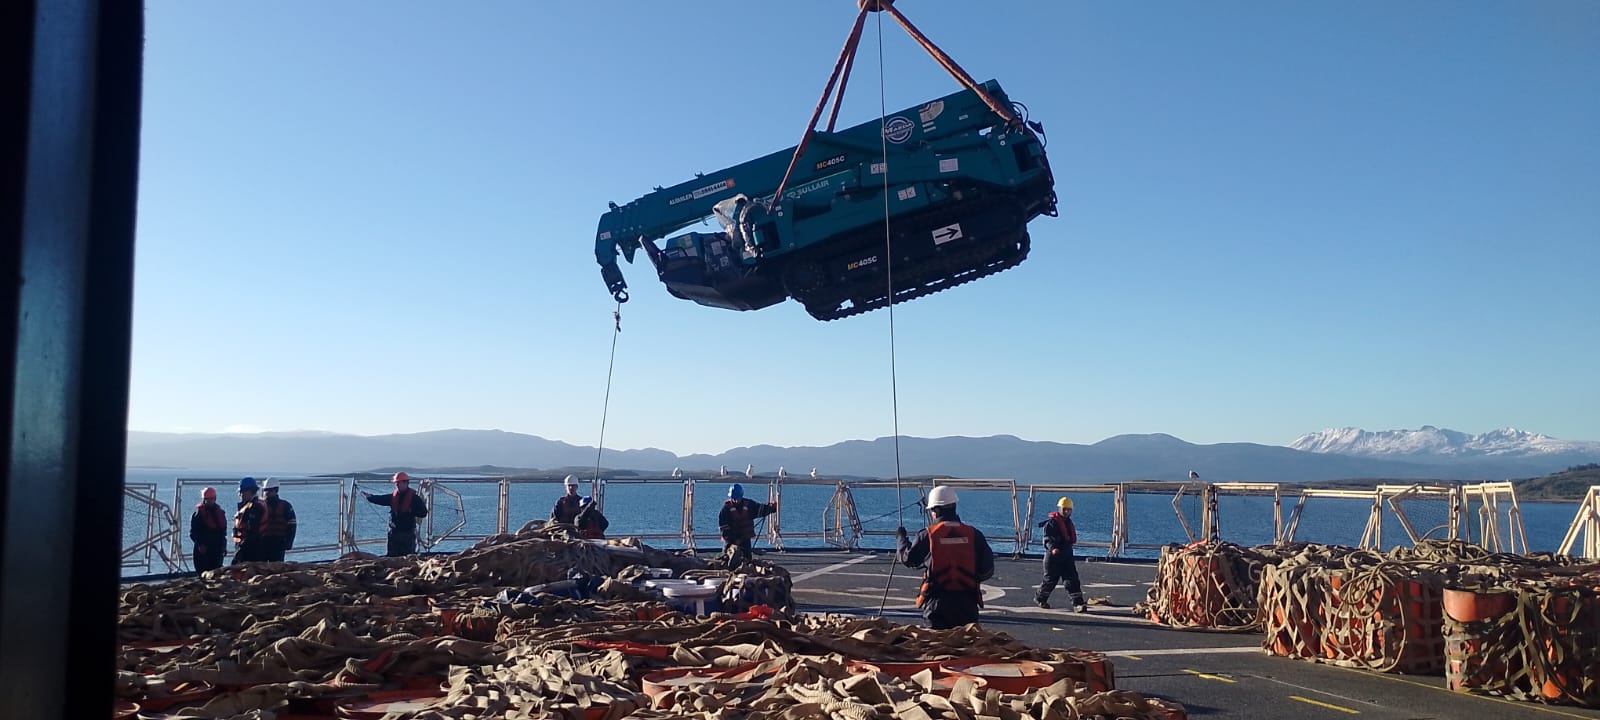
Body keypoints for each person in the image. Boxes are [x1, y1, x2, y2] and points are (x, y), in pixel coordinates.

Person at [896, 485, 996, 630]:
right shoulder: (974, 534)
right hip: (967, 604)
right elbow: (987, 569)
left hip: (937, 605)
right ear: (954, 506)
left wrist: (901, 538)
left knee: (935, 642)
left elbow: (907, 559)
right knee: (967, 641)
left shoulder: (928, 535)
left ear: (936, 510)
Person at [1035, 496, 1087, 612]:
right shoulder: (1051, 523)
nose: (1067, 512)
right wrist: (1053, 548)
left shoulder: (1068, 523)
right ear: (1060, 509)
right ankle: (1040, 598)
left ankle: (1078, 604)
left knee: (1072, 579)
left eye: (1069, 510)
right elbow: (1047, 539)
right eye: (1065, 509)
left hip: (1067, 555)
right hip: (1054, 557)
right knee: (1050, 580)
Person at [365, 471, 430, 556]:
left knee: (408, 556)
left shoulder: (414, 498)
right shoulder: (393, 497)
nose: (396, 485)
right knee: (391, 556)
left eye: (398, 483)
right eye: (396, 483)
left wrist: (411, 511)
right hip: (394, 533)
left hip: (407, 534)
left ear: (405, 483)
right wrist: (370, 497)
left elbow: (423, 513)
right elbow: (382, 499)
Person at [718, 483, 776, 564]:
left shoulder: (749, 505)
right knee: (727, 560)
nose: (735, 500)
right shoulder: (725, 510)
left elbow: (760, 509)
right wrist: (733, 541)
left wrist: (771, 508)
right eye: (733, 498)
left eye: (737, 498)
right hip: (731, 540)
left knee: (747, 560)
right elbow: (724, 529)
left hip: (744, 539)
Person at [189, 486, 228, 573]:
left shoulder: (220, 513)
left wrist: (224, 546)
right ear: (204, 499)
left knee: (216, 572)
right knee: (203, 573)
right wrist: (200, 544)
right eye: (207, 499)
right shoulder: (198, 514)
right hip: (203, 550)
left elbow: (222, 532)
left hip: (216, 549)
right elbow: (193, 532)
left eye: (211, 499)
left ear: (215, 499)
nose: (209, 501)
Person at [258, 479, 298, 562]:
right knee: (261, 567)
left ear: (276, 490)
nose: (266, 493)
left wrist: (289, 542)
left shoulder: (285, 506)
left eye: (269, 490)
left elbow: (292, 525)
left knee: (277, 566)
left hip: (279, 543)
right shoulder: (260, 506)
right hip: (262, 543)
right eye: (265, 490)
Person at [230, 476, 267, 565]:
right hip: (245, 547)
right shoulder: (248, 507)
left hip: (251, 550)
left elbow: (252, 531)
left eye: (242, 492)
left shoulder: (255, 508)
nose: (240, 495)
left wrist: (241, 550)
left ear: (249, 491)